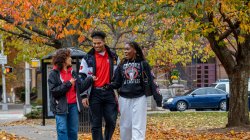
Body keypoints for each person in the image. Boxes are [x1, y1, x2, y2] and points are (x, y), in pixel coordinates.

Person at [107, 41, 162, 140]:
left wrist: (157, 97)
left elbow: (152, 80)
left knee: (138, 126)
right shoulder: (121, 65)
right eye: (124, 49)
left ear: (135, 50)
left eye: (127, 49)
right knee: (125, 127)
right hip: (124, 98)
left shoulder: (143, 64)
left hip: (139, 98)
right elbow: (117, 82)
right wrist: (109, 86)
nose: (125, 51)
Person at [80, 31, 119, 140]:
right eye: (94, 43)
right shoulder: (88, 58)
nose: (96, 46)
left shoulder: (113, 56)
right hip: (94, 93)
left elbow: (118, 75)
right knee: (96, 123)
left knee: (111, 121)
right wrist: (83, 96)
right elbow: (82, 77)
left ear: (104, 42)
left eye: (99, 43)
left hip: (109, 92)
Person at [48, 49, 93, 140]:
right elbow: (54, 91)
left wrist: (90, 79)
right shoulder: (54, 74)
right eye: (69, 57)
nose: (71, 59)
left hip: (73, 106)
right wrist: (68, 84)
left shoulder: (73, 72)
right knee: (62, 130)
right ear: (63, 60)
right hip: (60, 106)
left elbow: (80, 88)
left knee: (73, 130)